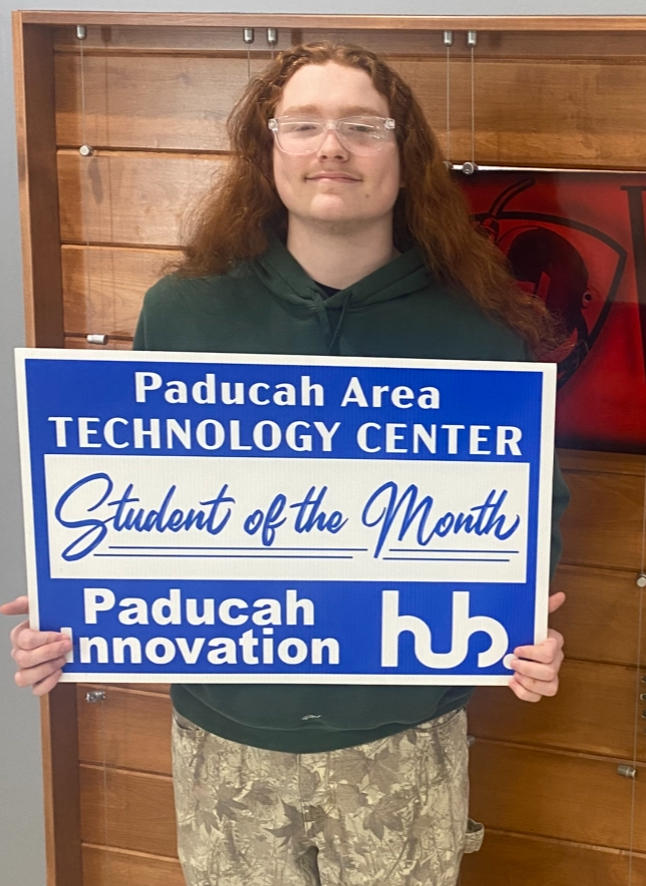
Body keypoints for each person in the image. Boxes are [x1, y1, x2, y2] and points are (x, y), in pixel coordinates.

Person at [3, 42, 568, 886]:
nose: (329, 146)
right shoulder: (183, 313)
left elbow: (529, 519)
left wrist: (532, 637)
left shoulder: (476, 337)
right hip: (223, 740)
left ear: (402, 155)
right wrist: (69, 610)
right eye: (302, 124)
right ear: (269, 149)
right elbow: (137, 506)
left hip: (403, 742)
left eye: (360, 126)